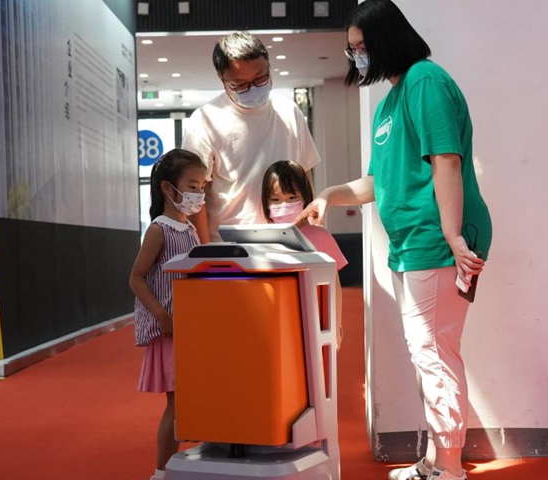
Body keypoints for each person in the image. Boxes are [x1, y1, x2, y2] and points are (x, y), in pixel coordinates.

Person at [296, 1, 493, 479]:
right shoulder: (389, 103)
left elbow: (446, 159)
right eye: (352, 50)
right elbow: (376, 182)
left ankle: (449, 467)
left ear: (387, 40)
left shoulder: (425, 82)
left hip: (437, 241)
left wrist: (452, 235)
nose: (357, 57)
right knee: (427, 352)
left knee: (434, 352)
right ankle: (436, 459)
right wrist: (329, 194)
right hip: (411, 245)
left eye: (362, 47)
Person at [182, 31, 321, 243]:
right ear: (222, 79)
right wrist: (205, 250)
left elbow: (305, 176)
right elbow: (194, 195)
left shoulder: (289, 111)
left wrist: (310, 233)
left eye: (260, 78)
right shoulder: (205, 121)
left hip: (288, 241)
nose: (253, 89)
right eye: (240, 84)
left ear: (269, 66)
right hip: (229, 245)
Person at [129, 149, 207, 480]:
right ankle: (161, 472)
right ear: (167, 187)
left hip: (190, 329)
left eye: (202, 186)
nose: (198, 194)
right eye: (192, 185)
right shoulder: (159, 230)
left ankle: (187, 464)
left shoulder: (189, 229)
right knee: (177, 405)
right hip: (169, 330)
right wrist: (161, 315)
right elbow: (136, 278)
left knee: (192, 401)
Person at [261, 160, 348, 350]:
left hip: (316, 325)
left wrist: (335, 326)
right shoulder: (261, 238)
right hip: (276, 325)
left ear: (306, 197)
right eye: (275, 200)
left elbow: (334, 285)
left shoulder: (321, 236)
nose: (284, 205)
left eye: (292, 197)